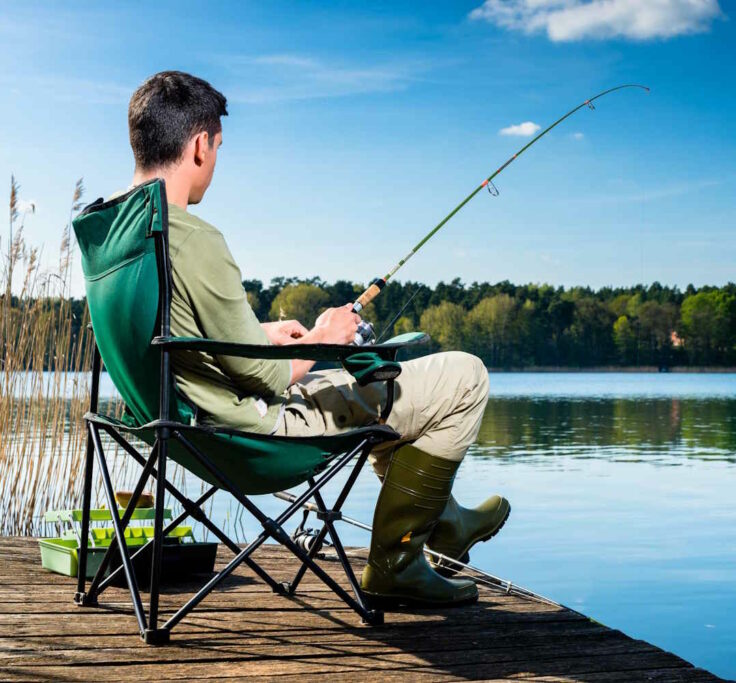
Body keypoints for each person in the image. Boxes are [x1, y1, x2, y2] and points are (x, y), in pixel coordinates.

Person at [121, 71, 509, 606]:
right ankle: (400, 557)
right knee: (463, 377)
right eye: (218, 147)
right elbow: (265, 377)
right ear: (198, 145)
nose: (216, 160)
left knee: (382, 387)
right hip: (251, 435)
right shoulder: (193, 237)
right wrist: (325, 336)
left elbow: (168, 335)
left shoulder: (116, 229)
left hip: (176, 426)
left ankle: (442, 520)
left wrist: (258, 334)